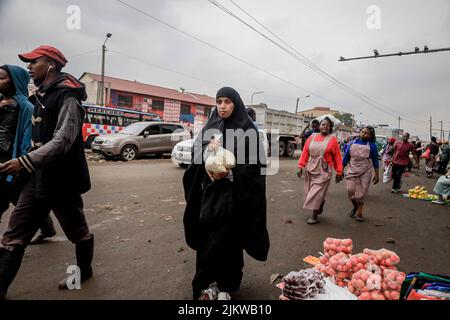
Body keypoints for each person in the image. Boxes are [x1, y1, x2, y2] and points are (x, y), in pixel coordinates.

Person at [0, 45, 93, 299]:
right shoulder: (39, 95)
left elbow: (63, 140)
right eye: (27, 63)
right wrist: (24, 162)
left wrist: (25, 161)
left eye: (34, 62)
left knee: (78, 232)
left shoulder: (68, 96)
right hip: (37, 176)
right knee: (14, 234)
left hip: (63, 180)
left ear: (51, 64)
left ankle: (84, 271)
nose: (29, 67)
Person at [183, 87, 269, 300]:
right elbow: (196, 155)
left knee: (228, 242)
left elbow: (255, 168)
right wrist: (208, 152)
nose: (222, 106)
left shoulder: (248, 132)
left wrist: (230, 172)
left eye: (227, 102)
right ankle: (205, 284)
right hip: (210, 196)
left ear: (236, 104)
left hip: (234, 199)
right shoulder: (211, 126)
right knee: (207, 241)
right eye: (219, 101)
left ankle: (227, 285)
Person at [0, 65, 57, 242]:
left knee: (19, 201)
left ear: (15, 81)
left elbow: (27, 137)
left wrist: (21, 162)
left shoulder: (26, 107)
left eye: (2, 78)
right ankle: (47, 227)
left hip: (12, 161)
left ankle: (44, 228)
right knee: (22, 202)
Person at [297, 117, 343, 224]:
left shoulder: (333, 140)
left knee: (315, 192)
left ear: (331, 128)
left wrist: (339, 171)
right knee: (309, 192)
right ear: (319, 126)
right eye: (323, 124)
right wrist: (300, 166)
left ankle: (314, 216)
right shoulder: (312, 137)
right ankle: (320, 202)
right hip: (310, 168)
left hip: (324, 170)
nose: (325, 126)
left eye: (328, 125)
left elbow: (337, 157)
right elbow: (305, 153)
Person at [342, 126, 380, 222]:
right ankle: (355, 206)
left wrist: (377, 175)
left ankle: (360, 213)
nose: (363, 134)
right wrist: (340, 171)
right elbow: (346, 158)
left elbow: (375, 161)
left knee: (362, 193)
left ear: (370, 135)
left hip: (366, 170)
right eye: (362, 132)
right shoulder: (351, 143)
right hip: (352, 169)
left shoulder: (372, 146)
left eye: (366, 133)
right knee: (350, 190)